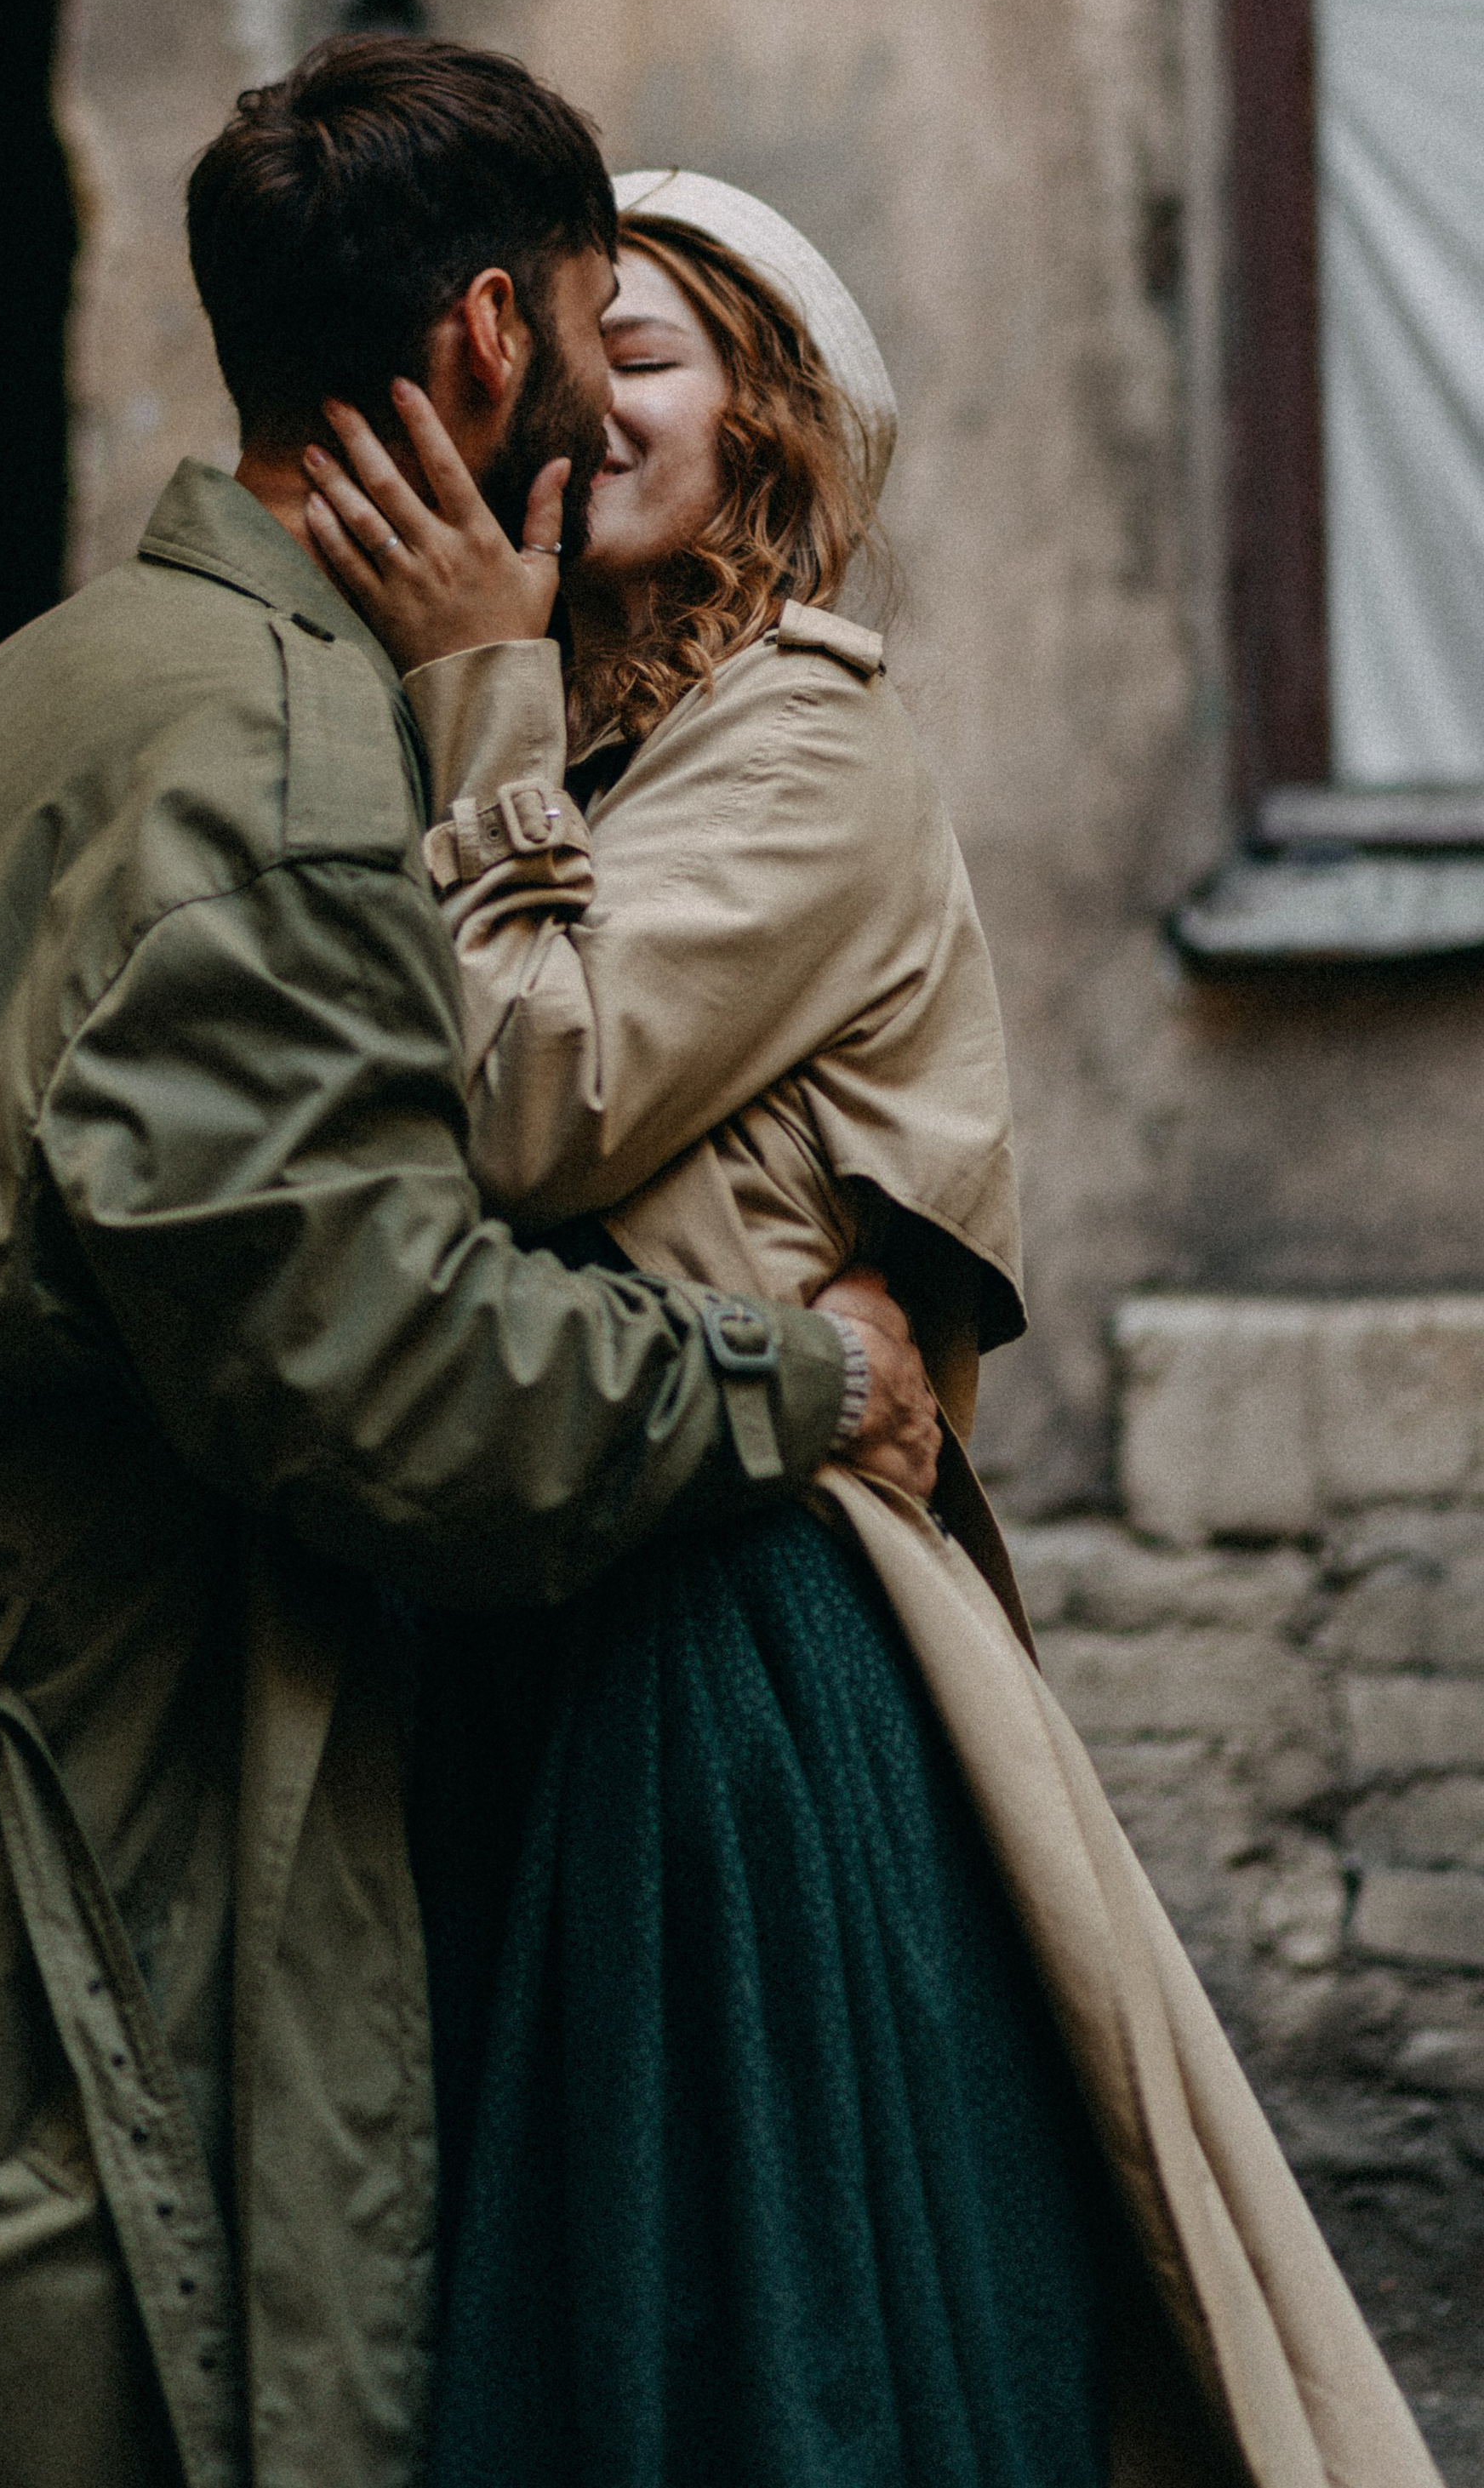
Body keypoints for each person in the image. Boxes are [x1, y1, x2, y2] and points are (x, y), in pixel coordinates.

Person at [0, 46, 941, 2488]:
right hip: (85, 1857)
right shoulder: (274, 757)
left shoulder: (35, 682)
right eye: (594, 322)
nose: (600, 388)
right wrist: (794, 1377)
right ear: (490, 341)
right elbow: (403, 1387)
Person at [303, 168, 1440, 2488]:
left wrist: (470, 699)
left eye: (658, 356)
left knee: (735, 2335)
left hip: (725, 1651)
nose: (599, 402)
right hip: (576, 1581)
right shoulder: (600, 740)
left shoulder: (798, 742)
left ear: (773, 425)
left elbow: (531, 1103)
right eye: (566, 354)